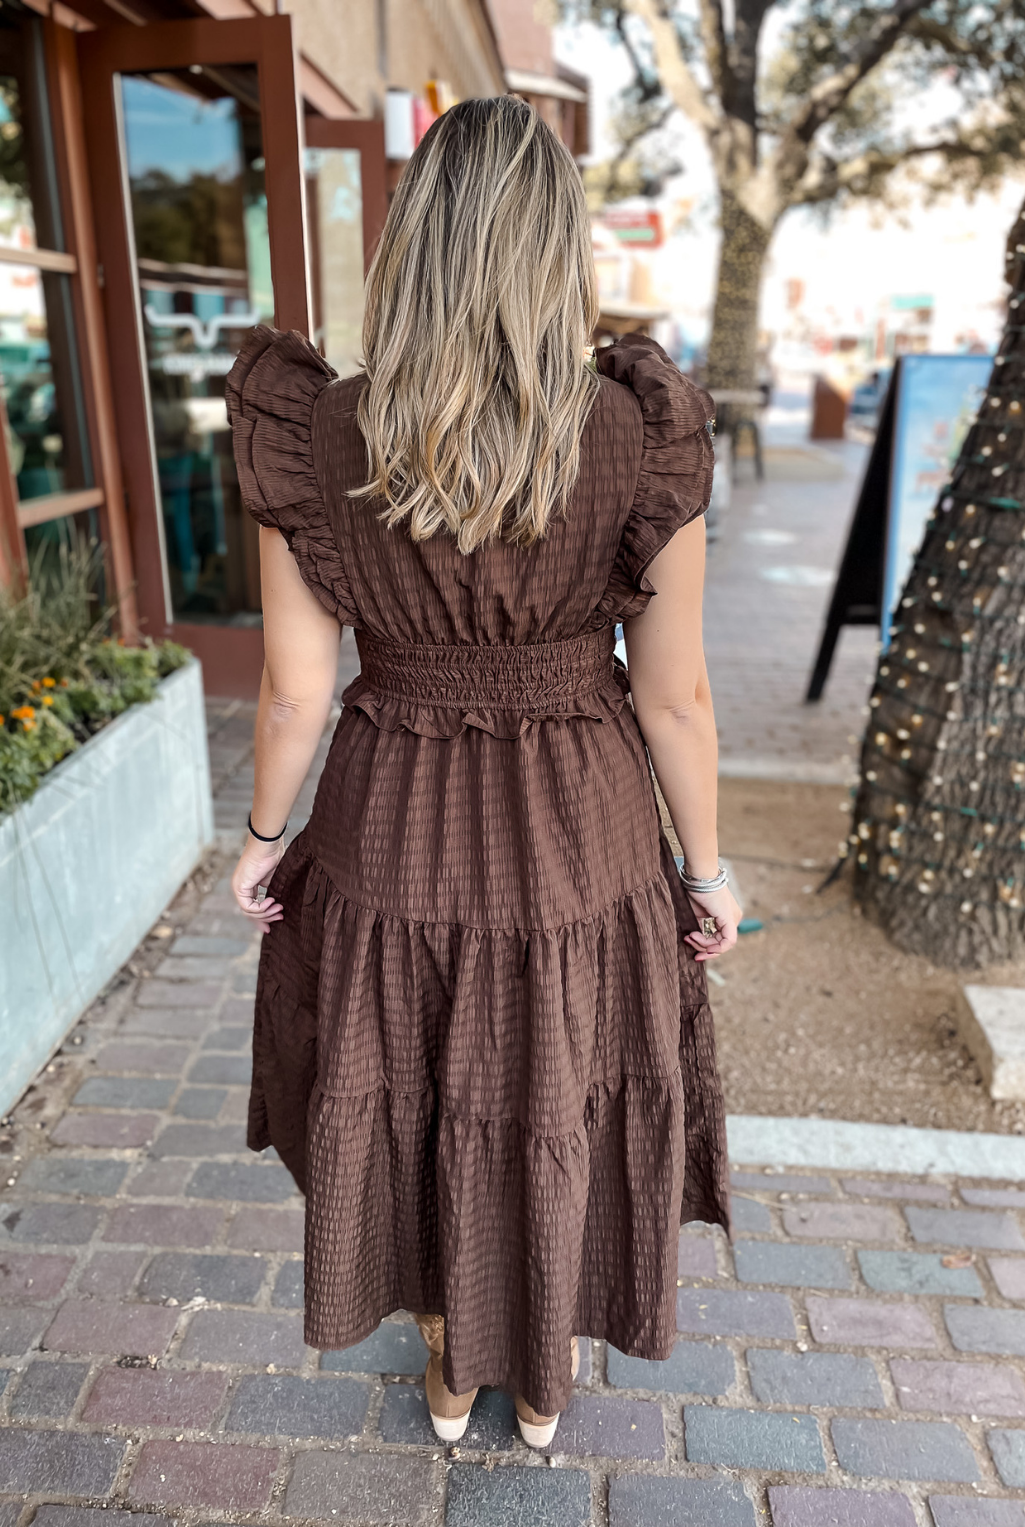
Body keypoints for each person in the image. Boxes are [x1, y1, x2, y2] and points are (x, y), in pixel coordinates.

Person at [226, 95, 738, 1451]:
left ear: (415, 243)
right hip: (588, 823)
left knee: (415, 1090)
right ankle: (546, 1387)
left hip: (392, 816)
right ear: (553, 247)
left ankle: (451, 1372)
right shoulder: (638, 430)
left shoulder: (320, 432)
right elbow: (679, 695)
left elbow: (293, 687)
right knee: (558, 1083)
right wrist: (712, 868)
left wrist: (264, 834)